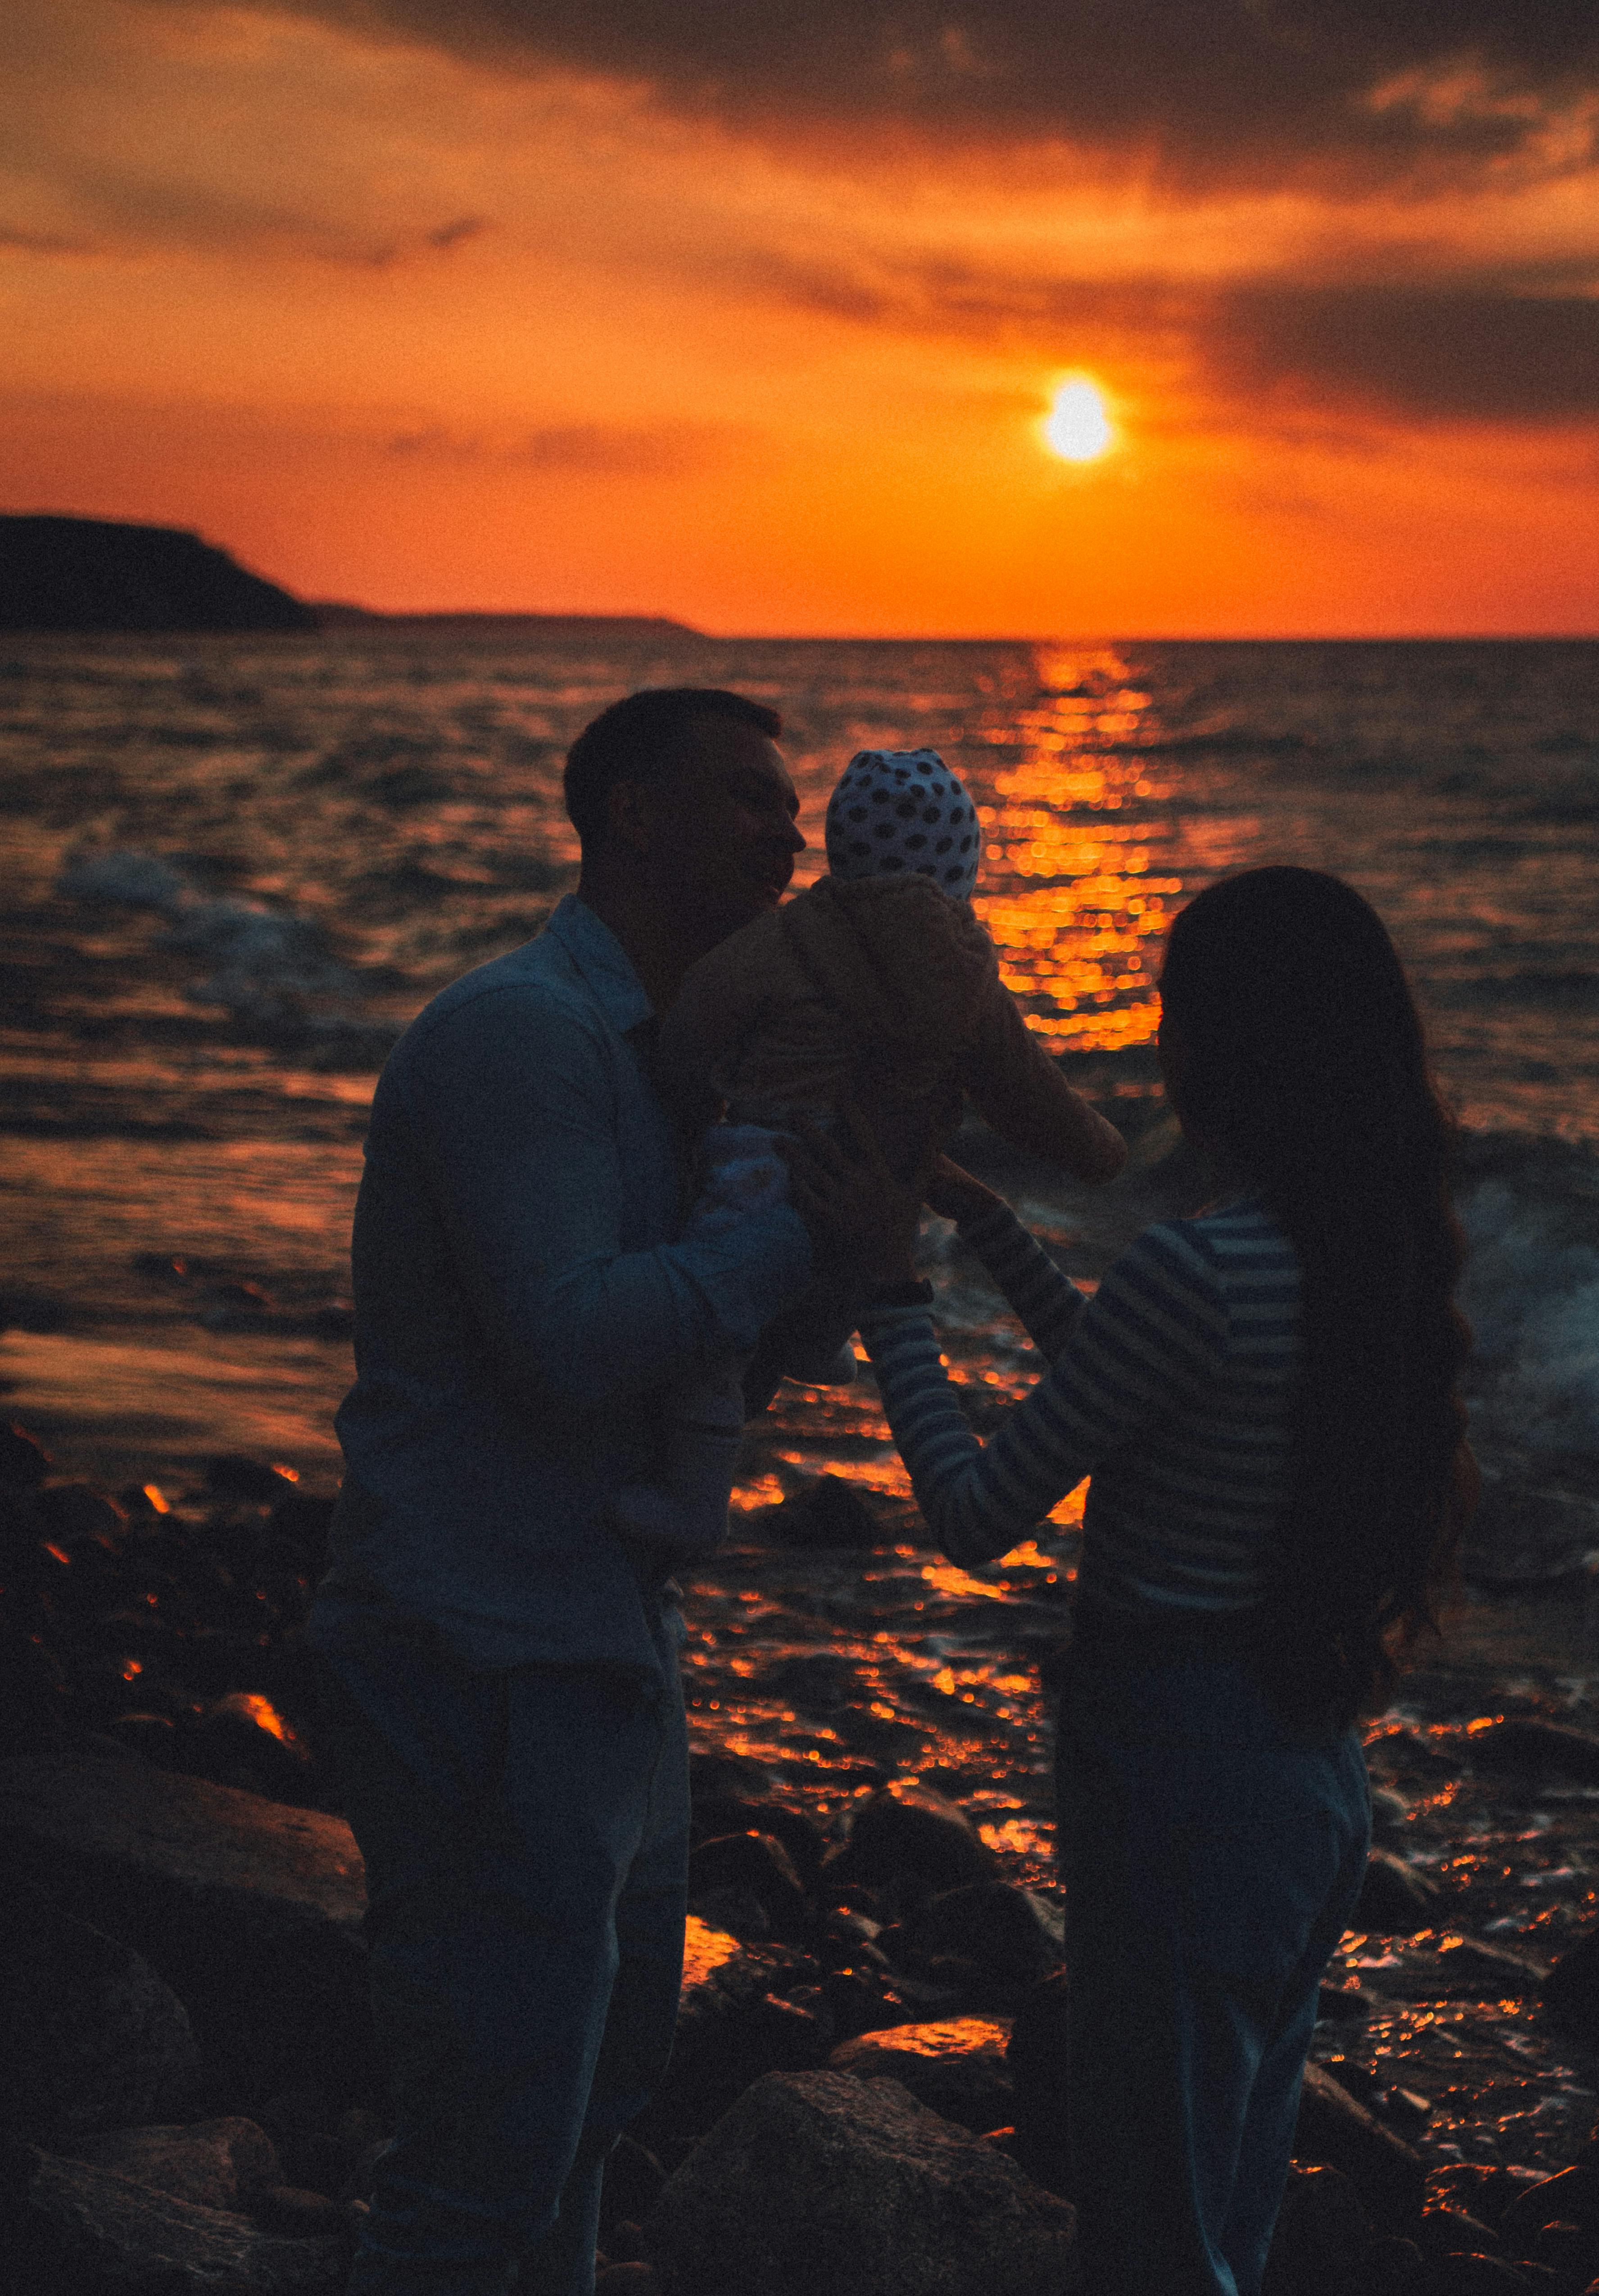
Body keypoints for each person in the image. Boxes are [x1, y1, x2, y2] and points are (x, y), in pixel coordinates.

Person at [789, 866, 1475, 2296]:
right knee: (1227, 2208)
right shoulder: (1365, 1257)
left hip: (1177, 1774)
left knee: (1151, 2241)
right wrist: (984, 1228)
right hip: (1307, 1764)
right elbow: (1143, 1389)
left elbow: (981, 1513)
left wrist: (886, 1285)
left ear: (1225, 1045)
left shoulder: (1196, 1268)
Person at [308, 687, 816, 2296]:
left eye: (787, 802)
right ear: (628, 816)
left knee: (594, 2106)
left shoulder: (681, 1073)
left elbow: (690, 1367)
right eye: (744, 796)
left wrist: (845, 1237)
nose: (786, 828)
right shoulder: (515, 1033)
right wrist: (787, 1242)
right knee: (481, 2163)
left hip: (604, 1651)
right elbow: (567, 1344)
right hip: (475, 1651)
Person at [609, 747, 1125, 1553]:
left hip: (767, 1159)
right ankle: (821, 1330)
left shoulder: (789, 936)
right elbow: (1034, 1099)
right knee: (836, 1276)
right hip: (881, 1181)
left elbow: (698, 1021)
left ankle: (693, 1499)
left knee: (716, 1342)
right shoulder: (967, 977)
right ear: (965, 863)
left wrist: (684, 1090)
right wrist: (1106, 1152)